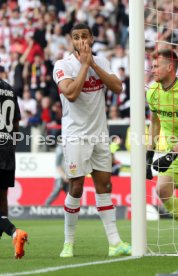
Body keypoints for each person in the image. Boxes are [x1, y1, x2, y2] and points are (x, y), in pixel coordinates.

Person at [53, 23, 131, 258]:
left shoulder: (103, 62)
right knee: (76, 186)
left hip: (99, 134)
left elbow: (118, 88)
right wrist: (85, 66)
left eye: (84, 36)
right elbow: (72, 94)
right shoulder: (63, 65)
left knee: (105, 185)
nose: (80, 41)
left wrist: (93, 63)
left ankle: (115, 243)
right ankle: (68, 243)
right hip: (75, 134)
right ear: (71, 41)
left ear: (92, 38)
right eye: (76, 37)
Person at [146, 49, 178, 220]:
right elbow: (155, 123)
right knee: (162, 190)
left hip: (174, 153)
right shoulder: (152, 91)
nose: (152, 70)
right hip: (173, 154)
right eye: (152, 66)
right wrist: (148, 156)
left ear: (170, 67)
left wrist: (172, 154)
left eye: (156, 66)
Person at [0, 77, 28, 258]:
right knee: (2, 198)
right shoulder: (9, 89)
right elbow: (16, 123)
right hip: (7, 151)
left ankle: (13, 232)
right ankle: (13, 237)